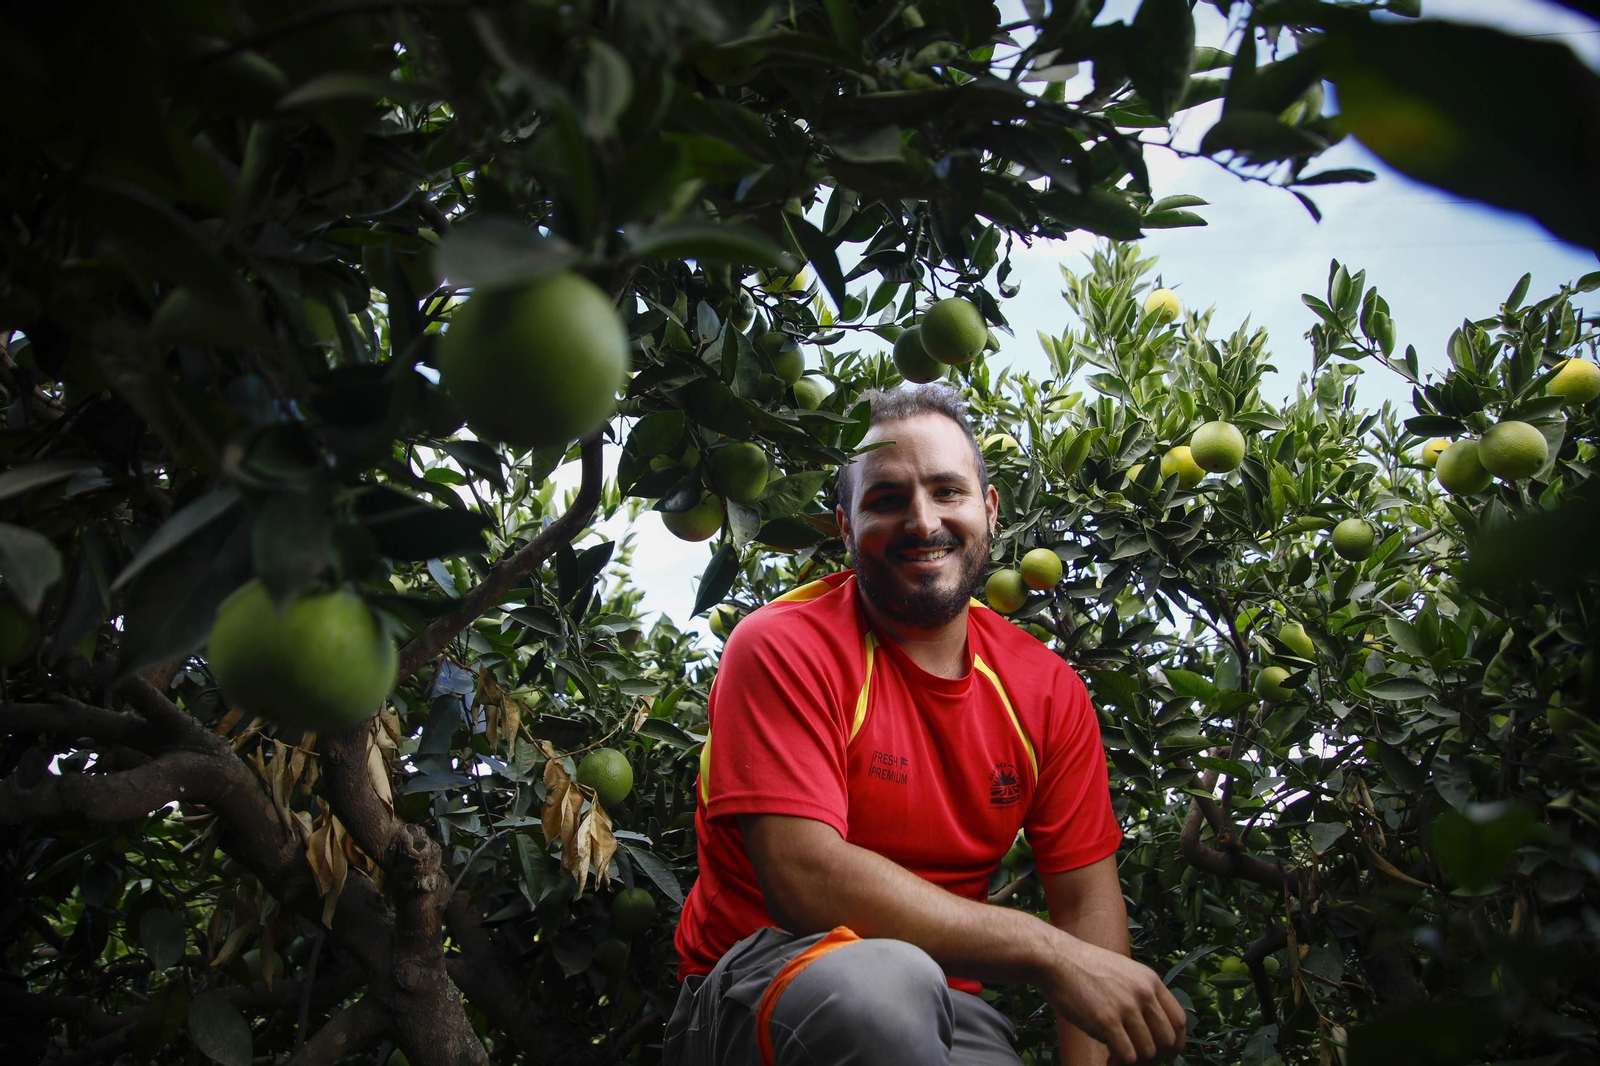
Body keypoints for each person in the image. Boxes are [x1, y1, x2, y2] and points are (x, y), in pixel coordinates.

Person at [666, 385, 1186, 1066]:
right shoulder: (783, 645)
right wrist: (1044, 951)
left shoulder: (1047, 692)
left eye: (947, 491)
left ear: (989, 511)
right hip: (757, 989)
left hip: (945, 1009)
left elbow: (1087, 901)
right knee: (886, 990)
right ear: (845, 528)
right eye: (886, 500)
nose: (922, 521)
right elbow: (804, 879)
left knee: (915, 999)